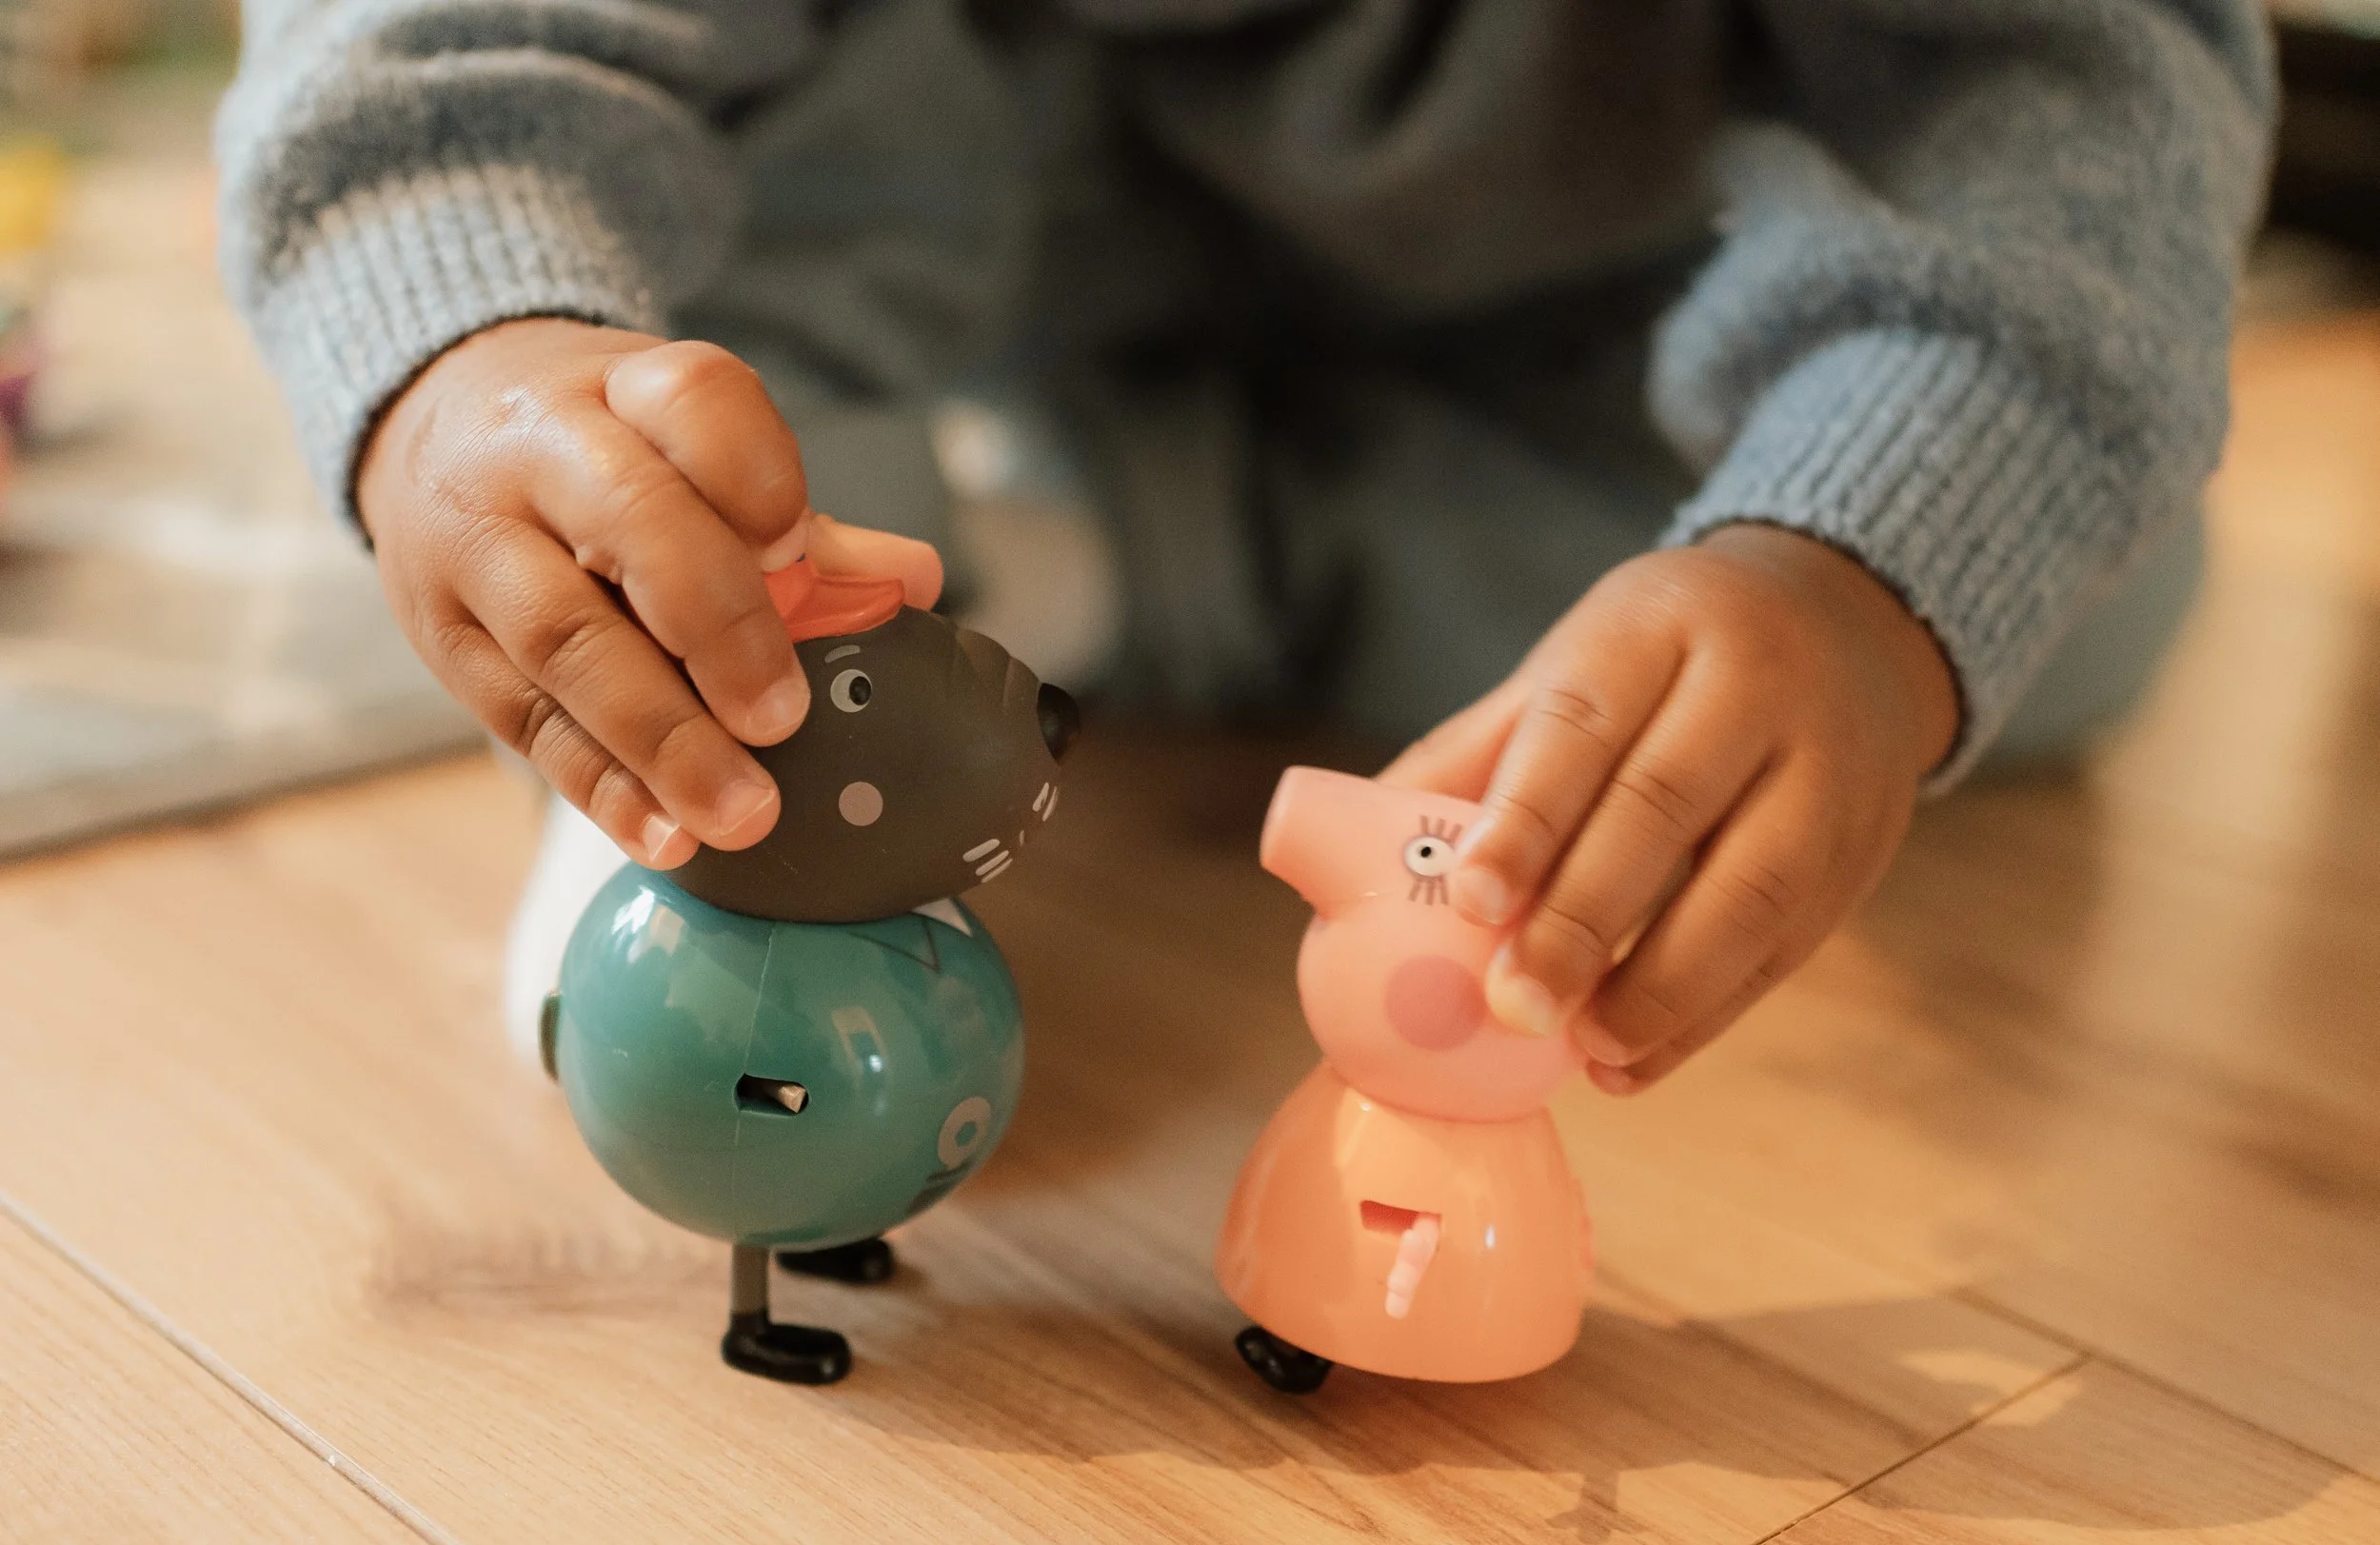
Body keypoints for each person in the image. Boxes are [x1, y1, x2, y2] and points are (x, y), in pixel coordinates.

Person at [215, 0, 2274, 1090]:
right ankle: (747, 664)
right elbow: (428, 60)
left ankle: (1104, 543)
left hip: (1608, 317)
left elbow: (2067, 125)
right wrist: (471, 358)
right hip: (928, 235)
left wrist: (1846, 577)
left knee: (2047, 595)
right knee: (672, 421)